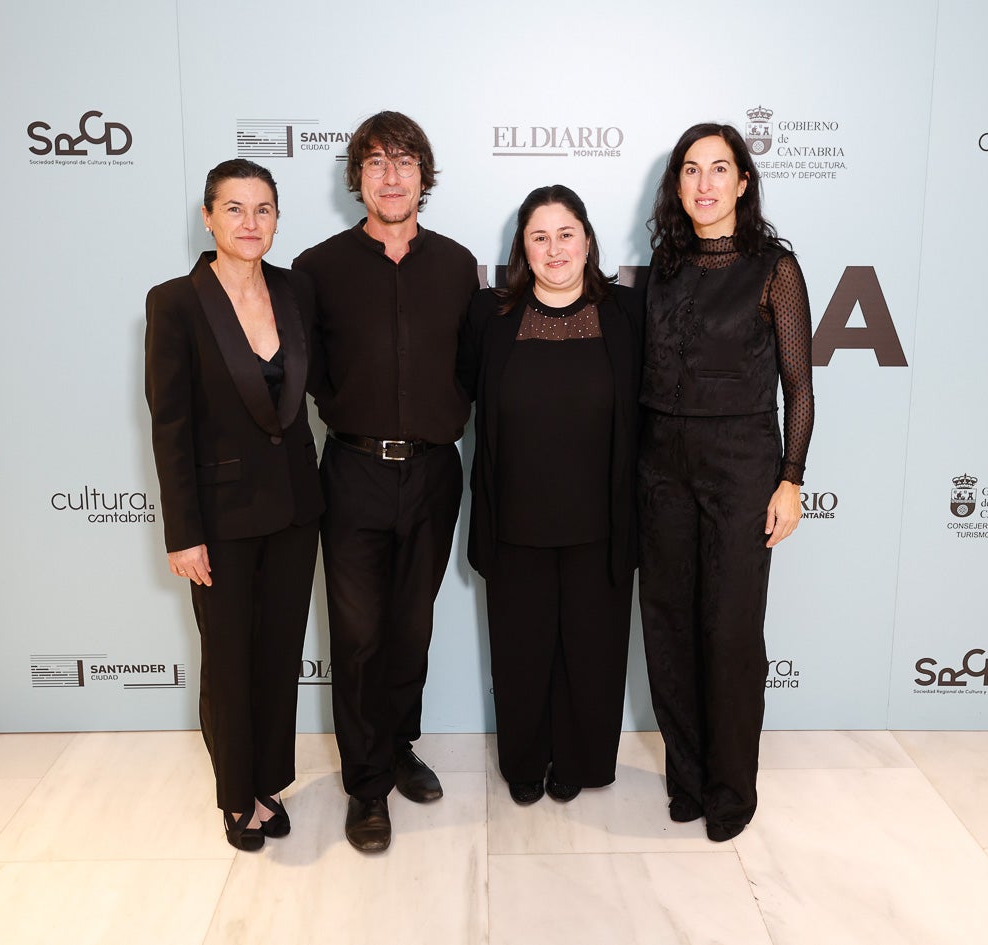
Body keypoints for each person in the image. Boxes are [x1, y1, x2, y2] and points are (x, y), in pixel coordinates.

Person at [291, 111, 479, 853]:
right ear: (357, 178)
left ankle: (399, 745)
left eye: (404, 161)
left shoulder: (456, 264)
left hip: (435, 472)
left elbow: (470, 367)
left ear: (423, 176)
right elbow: (308, 374)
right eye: (375, 162)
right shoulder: (318, 267)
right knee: (361, 635)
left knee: (410, 626)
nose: (391, 175)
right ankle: (366, 787)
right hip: (353, 471)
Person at [638, 123, 815, 842]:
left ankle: (730, 788)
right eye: (690, 170)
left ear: (743, 181)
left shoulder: (775, 268)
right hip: (659, 467)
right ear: (676, 185)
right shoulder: (664, 264)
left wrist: (791, 478)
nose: (704, 183)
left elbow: (798, 387)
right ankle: (686, 776)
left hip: (742, 465)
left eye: (719, 168)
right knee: (669, 628)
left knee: (732, 632)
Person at [145, 159, 323, 851]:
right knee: (228, 656)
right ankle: (234, 794)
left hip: (295, 511)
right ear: (209, 216)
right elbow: (170, 426)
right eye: (235, 209)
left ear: (277, 218)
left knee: (278, 653)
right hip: (217, 520)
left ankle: (267, 778)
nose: (251, 224)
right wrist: (184, 533)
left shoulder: (295, 289)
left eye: (264, 210)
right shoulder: (176, 302)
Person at [458, 185, 642, 805]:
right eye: (540, 236)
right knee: (520, 655)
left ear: (588, 241)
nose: (555, 248)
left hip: (602, 523)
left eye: (566, 234)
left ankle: (581, 762)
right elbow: (461, 396)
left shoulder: (627, 314)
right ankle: (526, 763)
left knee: (592, 654)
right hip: (515, 524)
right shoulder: (491, 316)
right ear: (523, 249)